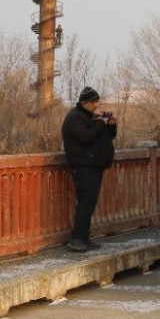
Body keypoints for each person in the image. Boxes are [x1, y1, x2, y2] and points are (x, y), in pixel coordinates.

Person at [60, 86, 117, 252]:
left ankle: (84, 237)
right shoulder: (74, 118)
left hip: (94, 165)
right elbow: (86, 137)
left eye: (97, 101)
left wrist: (111, 125)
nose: (96, 105)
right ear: (84, 102)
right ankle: (76, 238)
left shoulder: (89, 117)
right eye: (94, 102)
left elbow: (107, 136)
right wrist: (99, 121)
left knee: (89, 202)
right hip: (83, 166)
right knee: (86, 201)